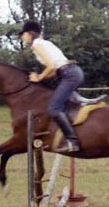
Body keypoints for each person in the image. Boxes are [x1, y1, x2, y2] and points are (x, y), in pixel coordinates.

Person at [19, 20, 82, 152]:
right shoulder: (44, 43)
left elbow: (51, 66)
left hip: (69, 74)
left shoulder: (37, 45)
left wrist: (39, 77)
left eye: (23, 34)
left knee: (54, 108)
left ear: (29, 34)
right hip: (71, 72)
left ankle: (72, 141)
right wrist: (39, 78)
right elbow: (53, 71)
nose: (22, 37)